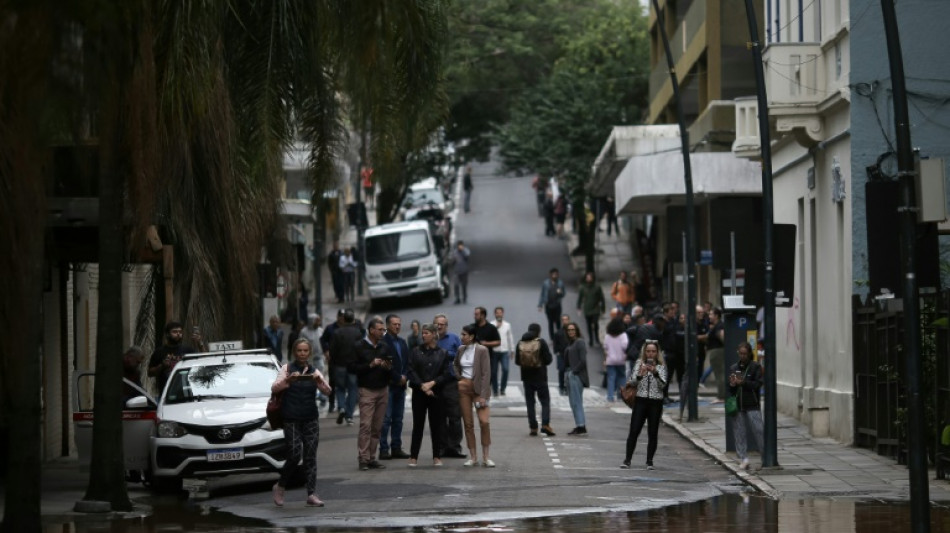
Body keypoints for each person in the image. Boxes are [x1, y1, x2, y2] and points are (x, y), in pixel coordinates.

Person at [271, 338, 332, 507]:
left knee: (310, 457)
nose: (302, 354)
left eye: (306, 351)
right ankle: (280, 486)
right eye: (299, 351)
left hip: (310, 418)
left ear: (310, 353)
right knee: (294, 455)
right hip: (291, 419)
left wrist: (318, 381)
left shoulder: (314, 371)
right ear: (294, 352)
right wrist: (288, 381)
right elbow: (274, 388)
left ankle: (311, 494)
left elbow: (328, 391)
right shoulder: (286, 369)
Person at [406, 324, 453, 467]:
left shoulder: (442, 353)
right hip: (420, 393)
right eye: (422, 333)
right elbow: (411, 370)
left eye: (426, 333)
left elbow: (446, 374)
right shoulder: (415, 351)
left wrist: (432, 383)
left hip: (436, 393)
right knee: (418, 425)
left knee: (436, 425)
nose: (423, 335)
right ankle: (413, 456)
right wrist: (422, 386)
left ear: (433, 334)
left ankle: (437, 456)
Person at [350, 317, 393, 471]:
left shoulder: (384, 346)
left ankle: (372, 457)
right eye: (380, 329)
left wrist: (388, 366)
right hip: (367, 389)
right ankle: (363, 458)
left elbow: (390, 364)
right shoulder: (359, 346)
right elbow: (352, 367)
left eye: (384, 330)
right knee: (365, 425)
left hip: (382, 389)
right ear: (371, 330)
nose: (383, 332)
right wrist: (370, 365)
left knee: (377, 426)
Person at [621, 340, 668, 470]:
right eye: (648, 351)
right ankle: (627, 460)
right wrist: (640, 375)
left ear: (657, 353)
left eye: (653, 351)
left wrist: (655, 373)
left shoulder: (661, 366)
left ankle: (649, 461)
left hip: (655, 402)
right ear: (644, 352)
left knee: (653, 432)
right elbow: (631, 382)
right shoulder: (638, 363)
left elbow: (663, 385)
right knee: (634, 430)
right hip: (641, 400)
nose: (650, 354)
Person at [455, 324, 493, 467]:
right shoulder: (461, 349)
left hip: (479, 389)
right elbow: (455, 365)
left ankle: (486, 457)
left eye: (464, 334)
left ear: (471, 336)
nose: (462, 337)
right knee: (468, 423)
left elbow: (486, 373)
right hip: (464, 387)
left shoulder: (482, 350)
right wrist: (460, 378)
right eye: (461, 334)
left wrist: (483, 395)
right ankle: (473, 457)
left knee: (484, 422)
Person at [729, 342, 764, 470]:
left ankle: (765, 457)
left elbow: (757, 384)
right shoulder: (734, 368)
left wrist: (743, 382)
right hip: (738, 405)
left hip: (752, 404)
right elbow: (731, 390)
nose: (742, 356)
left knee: (759, 430)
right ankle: (743, 458)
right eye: (740, 353)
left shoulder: (755, 367)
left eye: (745, 354)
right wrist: (732, 384)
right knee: (739, 433)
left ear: (749, 353)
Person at [434, 314, 466, 458]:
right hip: (436, 383)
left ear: (446, 326)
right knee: (439, 417)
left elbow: (462, 357)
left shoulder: (453, 339)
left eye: (442, 324)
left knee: (455, 416)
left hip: (452, 382)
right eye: (437, 324)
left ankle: (454, 447)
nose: (439, 326)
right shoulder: (430, 339)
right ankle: (442, 447)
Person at [379, 314, 411, 460]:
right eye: (394, 324)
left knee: (398, 419)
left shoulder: (403, 342)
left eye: (399, 324)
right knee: (386, 419)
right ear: (387, 325)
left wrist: (405, 376)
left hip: (401, 386)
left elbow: (408, 362)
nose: (397, 326)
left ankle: (396, 447)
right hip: (389, 385)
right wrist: (398, 378)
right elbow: (385, 365)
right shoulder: (382, 342)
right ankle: (383, 449)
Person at [516, 323, 555, 437]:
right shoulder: (541, 342)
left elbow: (517, 361)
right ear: (538, 331)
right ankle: (545, 425)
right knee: (545, 401)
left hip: (526, 378)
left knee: (530, 402)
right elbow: (548, 360)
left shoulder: (520, 343)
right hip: (540, 376)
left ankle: (533, 427)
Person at [329, 309, 362, 425]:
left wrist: (333, 362)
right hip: (353, 365)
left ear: (344, 319)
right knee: (353, 390)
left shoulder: (337, 332)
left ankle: (342, 407)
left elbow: (332, 351)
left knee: (340, 388)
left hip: (340, 365)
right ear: (353, 320)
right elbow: (360, 350)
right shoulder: (357, 333)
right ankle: (349, 415)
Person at [148, 321, 199, 394]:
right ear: (167, 334)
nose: (178, 334)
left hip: (187, 391)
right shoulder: (159, 352)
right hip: (167, 394)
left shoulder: (188, 350)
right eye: (175, 332)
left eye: (180, 332)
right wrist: (162, 366)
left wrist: (200, 343)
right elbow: (150, 373)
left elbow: (203, 361)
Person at [564, 322, 590, 436]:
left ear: (577, 330)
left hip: (576, 375)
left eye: (573, 329)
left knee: (576, 401)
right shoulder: (571, 343)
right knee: (573, 402)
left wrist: (574, 371)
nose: (571, 332)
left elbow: (583, 361)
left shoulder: (580, 342)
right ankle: (579, 425)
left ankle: (581, 426)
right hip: (570, 374)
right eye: (569, 330)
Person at [699, 308, 726, 401]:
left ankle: (721, 396)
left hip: (717, 351)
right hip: (717, 350)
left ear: (716, 316)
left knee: (719, 374)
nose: (709, 316)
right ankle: (721, 395)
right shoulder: (716, 326)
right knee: (719, 373)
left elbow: (722, 335)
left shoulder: (719, 326)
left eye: (711, 314)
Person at [602, 317, 629, 403]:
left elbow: (605, 347)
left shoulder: (607, 336)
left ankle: (610, 396)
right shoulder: (623, 335)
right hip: (621, 359)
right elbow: (625, 346)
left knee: (611, 378)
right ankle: (621, 395)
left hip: (610, 360)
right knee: (622, 377)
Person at [491, 307, 515, 396]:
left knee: (505, 369)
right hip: (494, 351)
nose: (499, 314)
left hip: (504, 351)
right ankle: (495, 390)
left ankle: (503, 388)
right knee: (493, 371)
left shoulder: (507, 325)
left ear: (503, 314)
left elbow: (510, 337)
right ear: (495, 314)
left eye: (500, 313)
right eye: (497, 313)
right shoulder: (491, 324)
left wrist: (512, 350)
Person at [576, 271, 606, 346]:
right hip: (587, 308)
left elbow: (601, 298)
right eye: (587, 277)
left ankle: (597, 338)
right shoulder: (583, 287)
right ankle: (591, 339)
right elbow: (580, 298)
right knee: (588, 325)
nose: (589, 279)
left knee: (595, 323)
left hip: (595, 308)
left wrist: (603, 308)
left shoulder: (597, 287)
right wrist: (578, 307)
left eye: (590, 277)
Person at [538, 268, 566, 341]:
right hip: (548, 305)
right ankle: (552, 338)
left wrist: (560, 292)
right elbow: (542, 294)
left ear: (558, 275)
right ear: (550, 275)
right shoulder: (546, 283)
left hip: (557, 305)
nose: (554, 276)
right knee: (550, 322)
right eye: (553, 274)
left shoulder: (560, 283)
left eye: (556, 274)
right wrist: (540, 305)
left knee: (558, 321)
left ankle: (559, 336)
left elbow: (563, 294)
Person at [553, 314, 571, 396]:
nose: (565, 321)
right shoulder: (558, 332)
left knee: (569, 371)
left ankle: (568, 387)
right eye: (563, 320)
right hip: (561, 354)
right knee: (561, 370)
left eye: (566, 319)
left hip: (570, 354)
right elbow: (555, 342)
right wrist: (556, 352)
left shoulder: (572, 331)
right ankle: (561, 386)